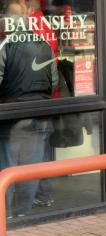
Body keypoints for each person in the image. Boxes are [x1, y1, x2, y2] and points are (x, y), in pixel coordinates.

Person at [0, 0, 58, 217]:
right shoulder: (43, 44)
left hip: (10, 116)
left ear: (9, 20)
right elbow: (53, 81)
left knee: (7, 167)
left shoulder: (5, 46)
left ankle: (4, 215)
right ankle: (23, 212)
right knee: (31, 167)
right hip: (39, 115)